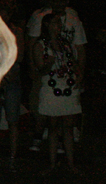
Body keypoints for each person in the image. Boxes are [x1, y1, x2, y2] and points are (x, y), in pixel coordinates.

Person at [26, 0, 86, 152]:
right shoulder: (40, 17)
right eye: (55, 0)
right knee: (40, 107)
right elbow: (31, 42)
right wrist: (33, 68)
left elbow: (80, 49)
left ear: (67, 2)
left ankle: (61, 141)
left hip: (66, 73)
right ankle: (38, 136)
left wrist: (80, 74)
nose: (58, 4)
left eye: (62, 1)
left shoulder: (74, 20)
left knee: (65, 111)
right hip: (44, 71)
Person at [33, 13, 83, 174]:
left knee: (69, 127)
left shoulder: (66, 44)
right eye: (55, 22)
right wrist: (49, 64)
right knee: (53, 127)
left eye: (60, 23)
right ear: (46, 25)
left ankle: (71, 163)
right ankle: (52, 163)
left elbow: (74, 64)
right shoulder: (40, 45)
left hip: (68, 87)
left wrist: (79, 77)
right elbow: (41, 69)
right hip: (51, 88)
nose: (59, 26)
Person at [0, 0, 24, 171]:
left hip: (11, 81)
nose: (3, 17)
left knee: (13, 120)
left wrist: (7, 73)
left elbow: (21, 56)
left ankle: (13, 156)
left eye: (6, 13)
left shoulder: (16, 31)